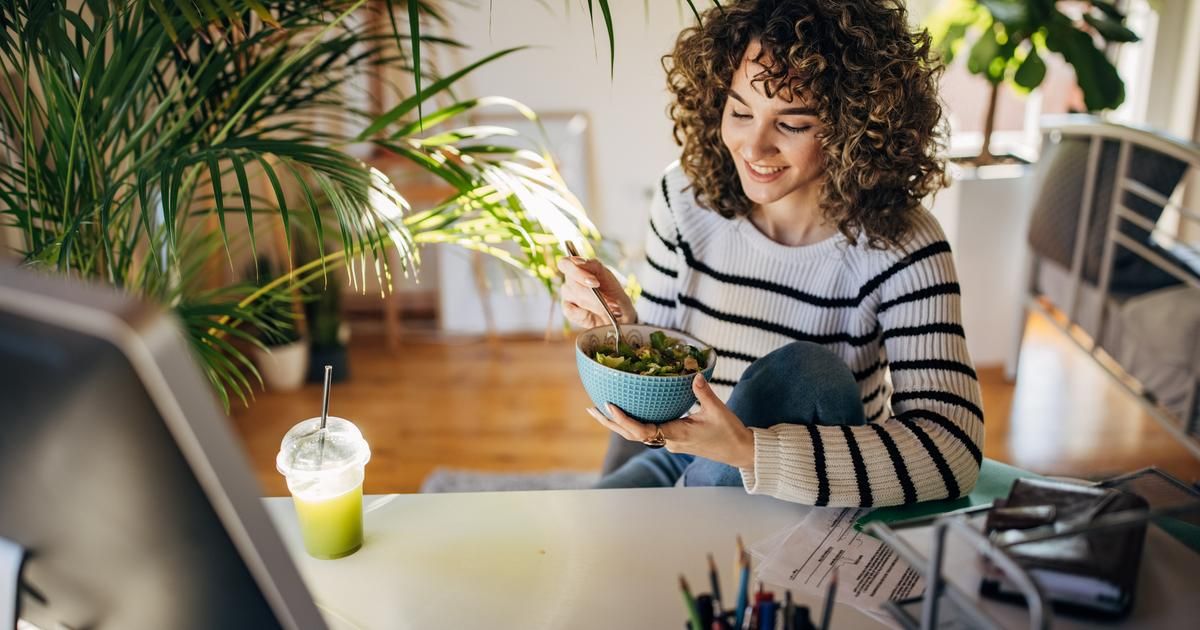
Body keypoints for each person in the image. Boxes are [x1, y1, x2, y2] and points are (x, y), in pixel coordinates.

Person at [558, 0, 983, 507]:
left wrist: (746, 450)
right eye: (740, 112)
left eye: (792, 124)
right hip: (681, 455)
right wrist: (624, 331)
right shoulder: (685, 199)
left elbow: (952, 451)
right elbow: (664, 392)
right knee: (579, 535)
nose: (754, 147)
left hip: (805, 476)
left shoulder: (903, 244)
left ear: (855, 126)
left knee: (806, 371)